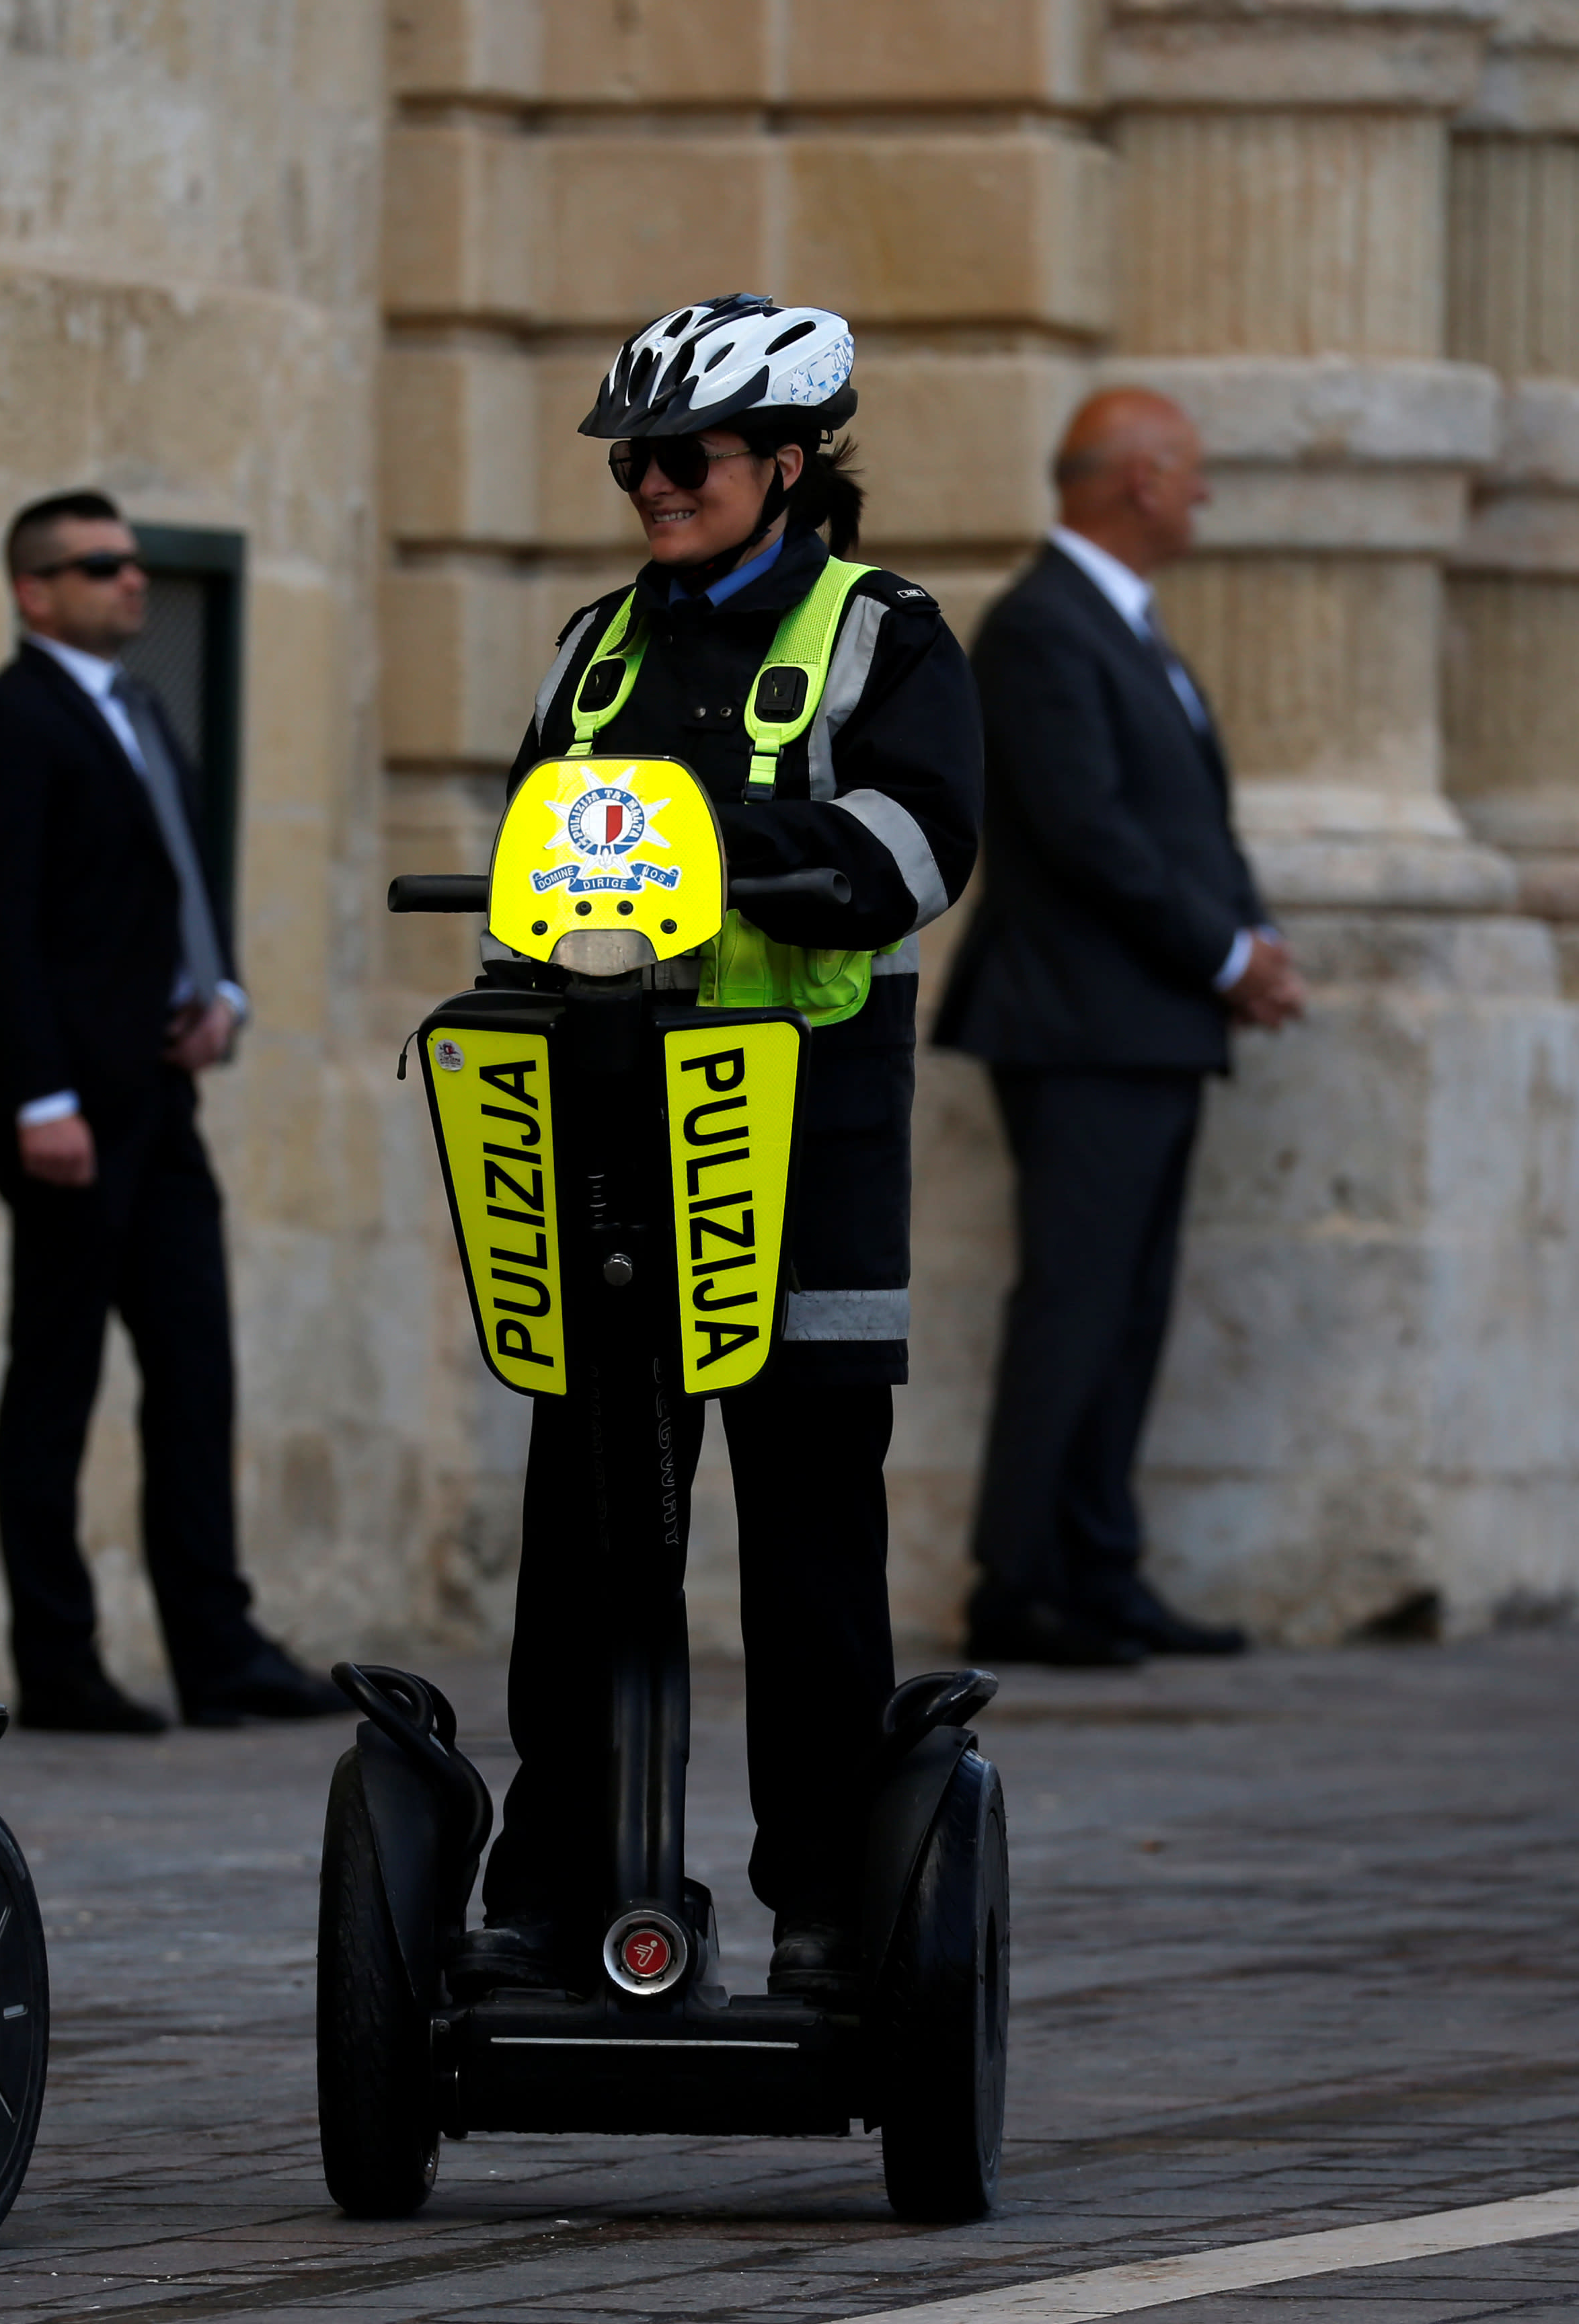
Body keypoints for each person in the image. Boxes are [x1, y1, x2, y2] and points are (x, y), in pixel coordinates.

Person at [451, 295, 983, 2003]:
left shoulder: (876, 635)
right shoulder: (593, 649)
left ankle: (828, 1903)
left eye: (680, 458)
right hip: (611, 1151)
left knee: (811, 1554)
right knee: (588, 1537)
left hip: (805, 1156)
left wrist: (706, 838)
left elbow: (919, 841)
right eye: (632, 462)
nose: (651, 487)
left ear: (787, 461)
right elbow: (535, 842)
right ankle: (564, 1886)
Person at [0, 490, 342, 1734]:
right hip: (65, 1105)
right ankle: (59, 1662)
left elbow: (176, 870)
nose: (133, 582)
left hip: (161, 1093)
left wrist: (218, 989)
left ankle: (215, 1649)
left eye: (133, 562)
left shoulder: (141, 707)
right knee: (56, 1381)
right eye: (101, 565)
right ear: (35, 590)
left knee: (196, 1369)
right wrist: (42, 1095)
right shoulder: (6, 719)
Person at [931, 389, 1300, 1672]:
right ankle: (1019, 1583)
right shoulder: (1042, 625)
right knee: (1077, 1306)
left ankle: (1099, 1566)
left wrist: (1246, 945)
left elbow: (1186, 818)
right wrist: (1225, 949)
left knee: (1130, 1310)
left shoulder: (1125, 628)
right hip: (1082, 1023)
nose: (1202, 497)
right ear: (1138, 478)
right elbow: (1088, 833)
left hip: (1148, 1022)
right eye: (1191, 474)